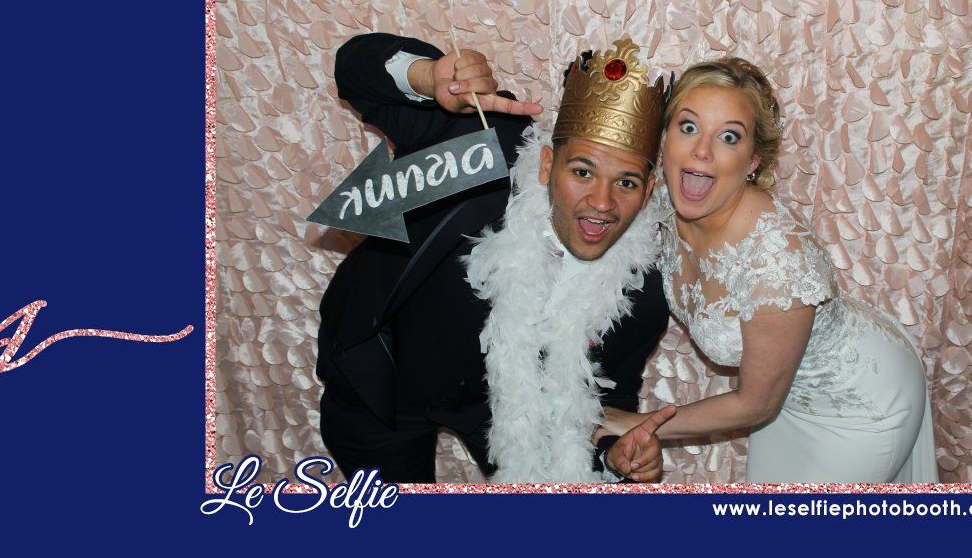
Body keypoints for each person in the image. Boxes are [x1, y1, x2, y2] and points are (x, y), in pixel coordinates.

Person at [317, 34, 675, 484]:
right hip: (387, 382)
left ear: (647, 193)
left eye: (625, 183)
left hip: (502, 408)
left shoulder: (641, 294)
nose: (601, 202)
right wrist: (426, 76)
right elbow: (354, 70)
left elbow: (602, 397)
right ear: (547, 164)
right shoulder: (480, 142)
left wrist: (614, 455)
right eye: (582, 172)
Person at [599, 57, 939, 483]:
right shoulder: (661, 206)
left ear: (754, 160)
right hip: (782, 398)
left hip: (859, 409)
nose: (701, 150)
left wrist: (636, 423)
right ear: (663, 139)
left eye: (728, 137)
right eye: (688, 127)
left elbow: (757, 404)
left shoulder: (778, 259)